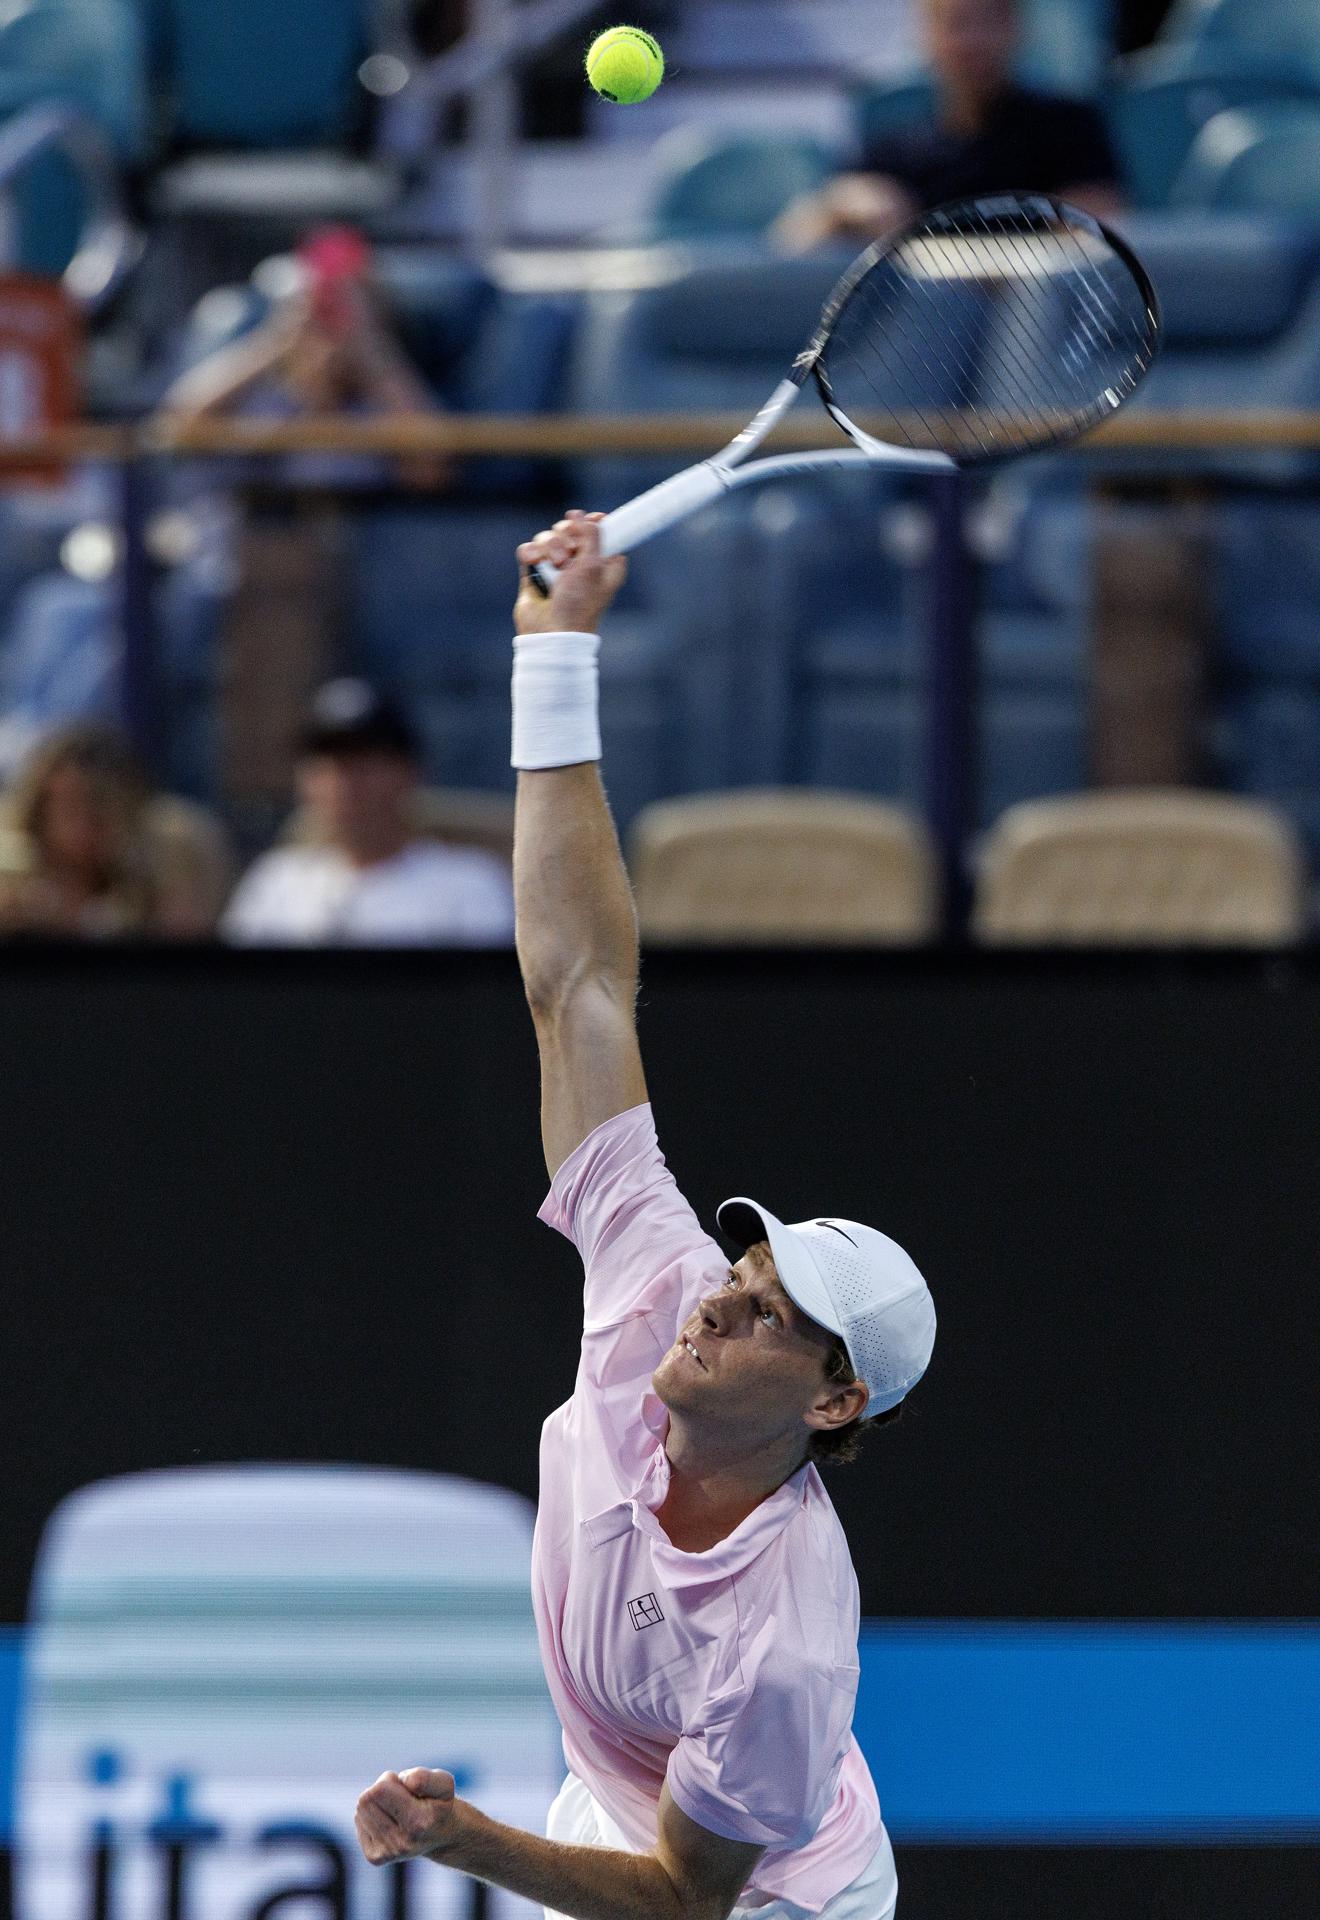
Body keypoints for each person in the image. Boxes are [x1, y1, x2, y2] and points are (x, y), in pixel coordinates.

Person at [353, 513, 938, 1920]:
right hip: (617, 1800)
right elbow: (578, 987)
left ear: (834, 1402)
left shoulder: (784, 1641)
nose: (721, 1300)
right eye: (745, 1267)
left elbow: (685, 1900)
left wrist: (463, 1841)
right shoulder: (659, 1290)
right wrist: (555, 653)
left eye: (772, 1315)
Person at [775, 0, 1124, 254]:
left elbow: (1095, 229)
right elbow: (791, 240)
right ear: (928, 34)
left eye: (988, 22)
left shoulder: (1068, 126)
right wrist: (844, 205)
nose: (973, 41)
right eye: (958, 24)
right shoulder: (894, 146)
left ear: (1015, 28)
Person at [155, 226, 451, 494]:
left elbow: (433, 467)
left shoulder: (382, 406)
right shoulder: (260, 399)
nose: (327, 339)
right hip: (255, 535)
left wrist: (368, 345)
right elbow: (173, 429)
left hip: (358, 535)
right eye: (318, 320)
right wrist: (277, 340)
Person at [221, 678, 515, 947]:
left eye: (364, 764)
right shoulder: (276, 881)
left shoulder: (469, 884)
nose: (343, 783)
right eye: (328, 766)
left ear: (410, 773)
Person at [0, 723, 232, 939]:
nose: (86, 823)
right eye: (71, 806)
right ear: (41, 809)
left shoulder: (159, 864)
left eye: (100, 805)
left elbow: (188, 938)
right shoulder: (14, 882)